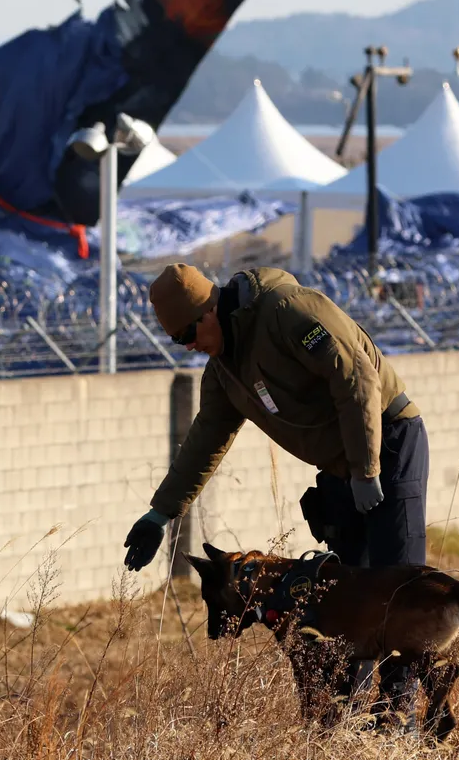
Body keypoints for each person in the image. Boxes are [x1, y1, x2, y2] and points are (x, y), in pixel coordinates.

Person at [123, 264, 430, 731]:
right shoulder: (226, 370)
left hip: (389, 439)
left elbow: (357, 378)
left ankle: (397, 723)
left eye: (188, 332)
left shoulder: (286, 312)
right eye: (177, 341)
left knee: (396, 586)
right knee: (346, 595)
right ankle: (343, 722)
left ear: (210, 310)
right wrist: (159, 513)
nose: (188, 345)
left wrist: (368, 470)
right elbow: (205, 440)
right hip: (343, 468)